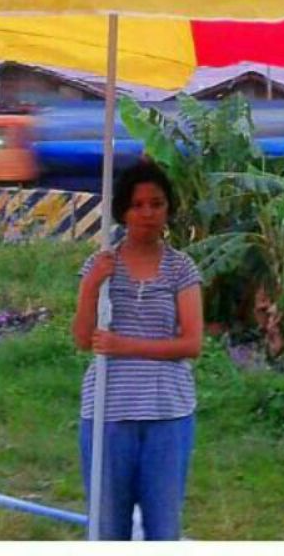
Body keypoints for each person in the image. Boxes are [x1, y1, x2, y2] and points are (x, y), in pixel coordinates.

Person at [72, 160, 203, 541]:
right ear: (123, 211)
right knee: (107, 524)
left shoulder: (181, 268)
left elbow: (191, 343)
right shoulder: (101, 264)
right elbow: (83, 338)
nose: (147, 213)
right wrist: (91, 286)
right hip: (107, 412)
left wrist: (124, 345)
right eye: (137, 204)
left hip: (168, 414)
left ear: (168, 209)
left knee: (163, 526)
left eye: (157, 204)